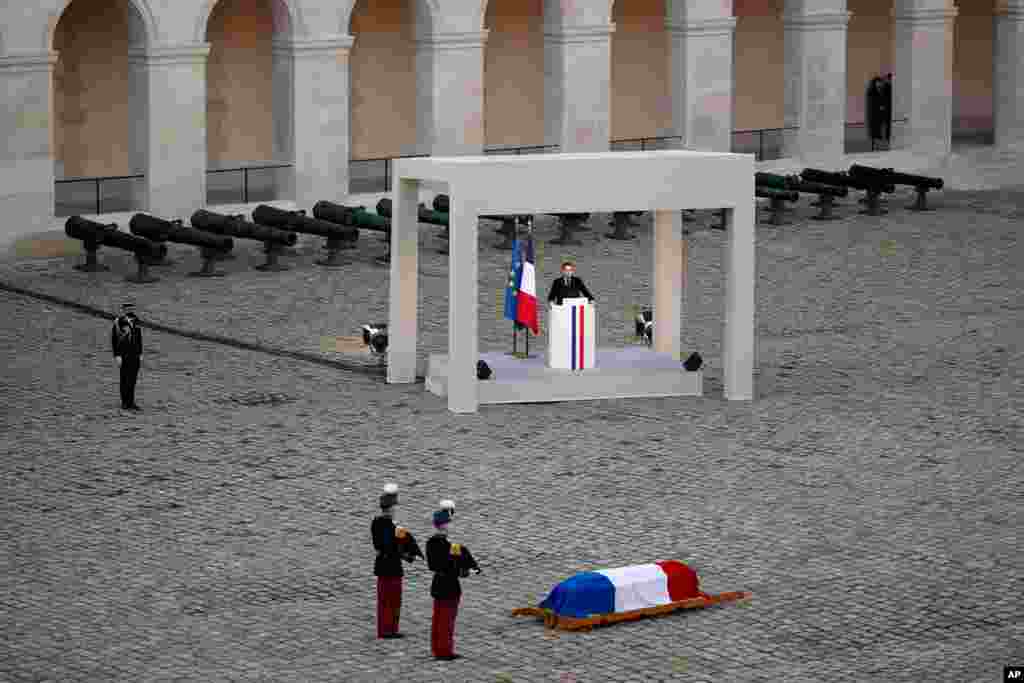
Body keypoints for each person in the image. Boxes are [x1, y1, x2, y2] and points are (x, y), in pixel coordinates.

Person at [427, 507, 479, 661]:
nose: (450, 526)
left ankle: (437, 648)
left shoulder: (430, 543)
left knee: (438, 620)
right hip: (449, 587)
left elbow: (433, 566)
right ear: (443, 525)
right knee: (447, 621)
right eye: (449, 523)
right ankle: (445, 651)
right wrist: (467, 572)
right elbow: (452, 568)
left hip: (437, 584)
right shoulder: (449, 547)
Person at [371, 483, 420, 639]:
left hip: (382, 564)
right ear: (391, 508)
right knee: (392, 599)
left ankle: (386, 629)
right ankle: (389, 629)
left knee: (386, 599)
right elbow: (392, 547)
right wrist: (406, 554)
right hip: (391, 565)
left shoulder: (377, 523)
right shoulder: (392, 527)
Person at [111, 302, 142, 411]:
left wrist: (140, 353)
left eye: (131, 308)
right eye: (127, 308)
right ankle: (125, 402)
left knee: (132, 379)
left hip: (135, 354)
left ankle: (131, 402)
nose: (129, 309)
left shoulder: (136, 320)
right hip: (124, 354)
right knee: (124, 379)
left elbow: (139, 337)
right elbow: (114, 339)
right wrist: (117, 355)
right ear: (123, 309)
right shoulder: (118, 321)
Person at [882, 73, 893, 144]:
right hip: (887, 107)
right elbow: (883, 97)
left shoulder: (887, 86)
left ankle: (888, 137)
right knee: (887, 123)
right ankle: (887, 137)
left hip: (889, 107)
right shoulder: (886, 86)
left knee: (888, 123)